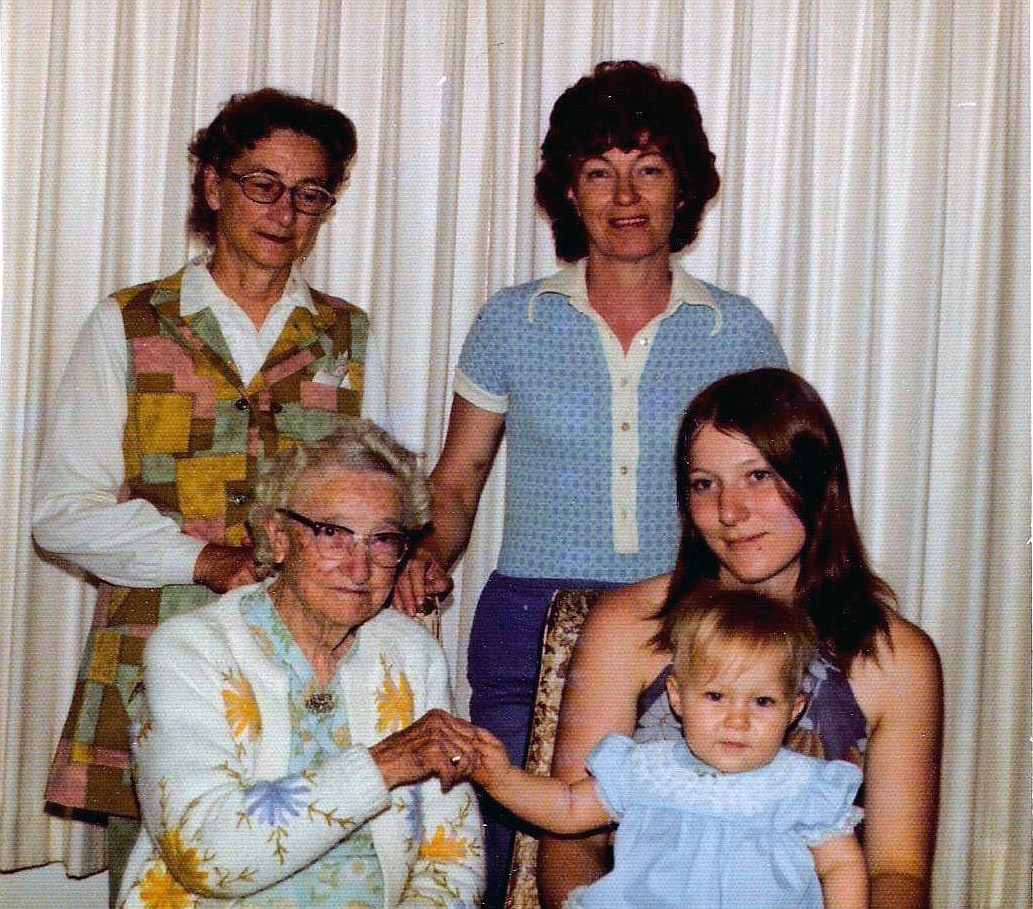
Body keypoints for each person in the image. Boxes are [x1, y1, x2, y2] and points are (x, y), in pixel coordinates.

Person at [394, 60, 787, 904]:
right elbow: (458, 478)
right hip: (525, 622)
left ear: (683, 187)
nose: (624, 195)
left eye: (648, 168)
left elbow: (772, 494)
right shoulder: (513, 317)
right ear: (568, 193)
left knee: (661, 864)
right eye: (598, 172)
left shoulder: (736, 329)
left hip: (685, 622)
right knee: (506, 856)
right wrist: (427, 547)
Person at [34, 87, 387, 902]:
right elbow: (62, 510)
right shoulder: (130, 322)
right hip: (160, 650)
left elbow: (374, 493)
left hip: (307, 662)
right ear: (212, 183)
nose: (284, 211)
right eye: (262, 183)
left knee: (301, 876)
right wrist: (207, 558)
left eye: (309, 194)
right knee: (161, 883)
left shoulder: (347, 335)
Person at [541, 368, 943, 909]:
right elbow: (570, 842)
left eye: (757, 476)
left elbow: (898, 871)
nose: (730, 512)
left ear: (816, 483)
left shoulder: (897, 659)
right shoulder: (629, 625)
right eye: (705, 484)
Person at [117, 419, 485, 908]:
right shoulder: (192, 651)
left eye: (382, 540)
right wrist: (384, 765)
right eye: (333, 534)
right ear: (280, 537)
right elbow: (204, 855)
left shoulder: (412, 656)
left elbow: (452, 861)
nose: (360, 569)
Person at [473, 584, 868, 909]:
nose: (738, 719)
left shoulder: (803, 784)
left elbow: (841, 866)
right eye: (716, 696)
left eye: (762, 702)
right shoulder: (647, 768)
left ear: (794, 709)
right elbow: (568, 808)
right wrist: (502, 779)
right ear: (677, 697)